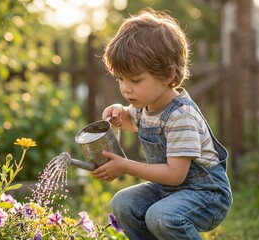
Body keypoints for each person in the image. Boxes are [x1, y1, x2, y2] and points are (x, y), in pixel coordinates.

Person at [91, 8, 232, 240]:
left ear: (167, 76)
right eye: (120, 79)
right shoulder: (144, 104)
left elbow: (175, 175)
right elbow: (131, 121)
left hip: (206, 194)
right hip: (168, 189)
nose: (126, 88)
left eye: (135, 80)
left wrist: (126, 166)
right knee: (123, 203)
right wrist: (120, 113)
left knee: (163, 216)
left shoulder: (181, 117)